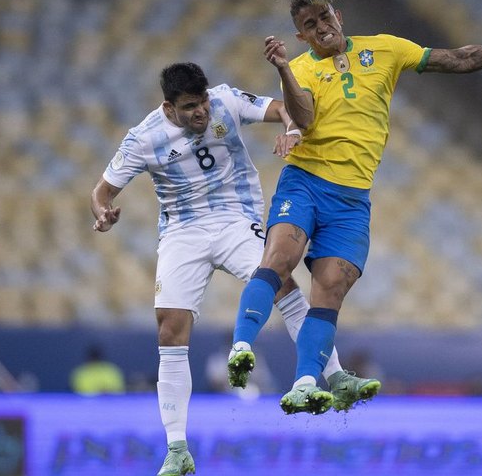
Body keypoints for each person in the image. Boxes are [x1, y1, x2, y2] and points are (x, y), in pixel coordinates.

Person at [230, 0, 482, 415]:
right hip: (306, 183)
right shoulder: (301, 69)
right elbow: (305, 120)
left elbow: (458, 58)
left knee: (330, 288)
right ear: (301, 35)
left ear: (339, 15)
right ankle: (241, 346)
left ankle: (306, 383)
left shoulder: (385, 49)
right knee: (280, 257)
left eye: (324, 17)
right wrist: (281, 68)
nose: (321, 27)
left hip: (352, 200)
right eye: (310, 25)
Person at [90, 62, 376, 476]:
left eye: (203, 101)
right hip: (182, 230)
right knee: (170, 327)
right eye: (190, 107)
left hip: (235, 217)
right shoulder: (143, 138)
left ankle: (334, 376)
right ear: (169, 108)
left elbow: (283, 108)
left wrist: (292, 128)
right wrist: (102, 213)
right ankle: (177, 450)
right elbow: (101, 192)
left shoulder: (226, 100)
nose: (202, 112)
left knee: (281, 283)